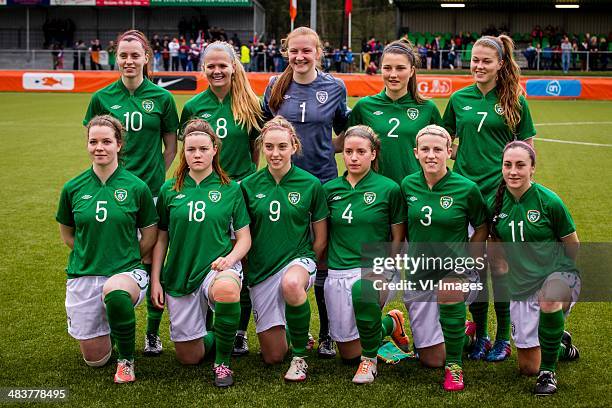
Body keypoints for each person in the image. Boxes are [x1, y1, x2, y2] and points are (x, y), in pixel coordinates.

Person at [83, 29, 179, 358]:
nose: (128, 60)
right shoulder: (101, 98)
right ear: (116, 58)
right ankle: (112, 324)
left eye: (135, 55)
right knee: (112, 255)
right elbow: (94, 140)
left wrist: (153, 177)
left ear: (146, 58)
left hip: (150, 192)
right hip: (110, 193)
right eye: (123, 55)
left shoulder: (163, 99)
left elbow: (170, 146)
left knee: (153, 258)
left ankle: (152, 333)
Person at [443, 34, 536, 362]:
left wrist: (522, 192)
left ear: (500, 64)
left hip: (501, 195)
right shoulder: (458, 99)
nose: (479, 66)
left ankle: (502, 337)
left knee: (499, 266)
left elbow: (527, 150)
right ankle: (480, 334)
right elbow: (445, 143)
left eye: (486, 61)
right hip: (465, 195)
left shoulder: (514, 100)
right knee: (475, 265)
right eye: (475, 60)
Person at [262, 26, 351, 357]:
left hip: (324, 182)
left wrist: (326, 148)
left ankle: (327, 332)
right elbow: (261, 127)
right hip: (282, 185)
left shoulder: (334, 86)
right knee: (286, 254)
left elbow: (344, 133)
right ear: (286, 52)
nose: (300, 57)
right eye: (294, 51)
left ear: (318, 53)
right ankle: (292, 329)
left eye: (307, 51)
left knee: (322, 257)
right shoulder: (275, 86)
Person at [57, 115, 158, 383]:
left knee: (115, 292)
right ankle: (112, 329)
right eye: (93, 142)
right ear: (87, 145)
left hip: (126, 271)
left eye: (106, 141)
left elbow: (149, 236)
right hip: (84, 272)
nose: (99, 147)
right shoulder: (73, 188)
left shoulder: (137, 187)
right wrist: (92, 252)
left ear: (119, 145)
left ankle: (126, 360)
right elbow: (67, 234)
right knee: (96, 359)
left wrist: (125, 256)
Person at [150, 119, 251, 387]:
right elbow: (161, 238)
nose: (197, 154)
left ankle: (222, 363)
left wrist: (229, 260)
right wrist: (156, 279)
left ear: (214, 150)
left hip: (217, 267)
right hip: (180, 273)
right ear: (184, 151)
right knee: (189, 357)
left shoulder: (231, 189)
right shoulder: (169, 189)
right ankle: (218, 337)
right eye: (191, 149)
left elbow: (244, 239)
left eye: (203, 149)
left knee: (228, 290)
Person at [180, 41, 263, 356]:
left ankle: (239, 331)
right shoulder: (193, 107)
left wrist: (240, 187)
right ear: (203, 68)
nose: (217, 71)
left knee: (241, 262)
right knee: (211, 260)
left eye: (222, 65)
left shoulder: (250, 104)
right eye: (210, 66)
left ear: (234, 67)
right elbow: (189, 151)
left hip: (239, 193)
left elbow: (256, 151)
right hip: (205, 194)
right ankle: (212, 330)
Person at [488, 141, 580, 395]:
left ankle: (548, 373)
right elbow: (495, 243)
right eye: (508, 165)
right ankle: (560, 343)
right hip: (522, 286)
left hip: (557, 278)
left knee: (549, 298)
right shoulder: (494, 204)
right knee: (528, 367)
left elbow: (572, 245)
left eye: (520, 165)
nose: (513, 171)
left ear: (532, 169)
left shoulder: (549, 201)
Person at [401, 125, 488, 391]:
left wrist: (469, 258)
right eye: (425, 149)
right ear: (416, 153)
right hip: (419, 275)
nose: (431, 155)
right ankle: (464, 334)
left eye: (438, 149)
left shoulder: (467, 188)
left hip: (456, 273)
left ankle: (455, 367)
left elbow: (482, 225)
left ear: (448, 152)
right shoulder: (407, 185)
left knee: (448, 290)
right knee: (431, 360)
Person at [240, 116, 328, 381]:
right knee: (272, 356)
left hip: (298, 260)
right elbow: (243, 235)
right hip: (262, 269)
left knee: (291, 284)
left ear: (293, 146)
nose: (275, 153)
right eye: (269, 147)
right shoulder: (247, 186)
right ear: (261, 148)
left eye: (281, 146)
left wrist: (307, 263)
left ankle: (299, 358)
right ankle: (294, 330)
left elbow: (321, 238)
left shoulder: (311, 184)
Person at [323, 126, 407, 383]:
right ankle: (391, 324)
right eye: (348, 152)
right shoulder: (329, 190)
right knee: (348, 353)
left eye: (361, 151)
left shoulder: (389, 188)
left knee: (365, 291)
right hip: (339, 270)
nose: (354, 157)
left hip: (375, 268)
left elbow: (397, 236)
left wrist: (387, 267)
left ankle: (369, 363)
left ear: (373, 154)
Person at [348, 39, 443, 185]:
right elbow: (348, 146)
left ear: (411, 71)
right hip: (374, 191)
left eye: (400, 68)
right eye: (387, 68)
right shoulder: (364, 106)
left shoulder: (428, 108)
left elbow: (441, 150)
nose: (393, 74)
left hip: (414, 190)